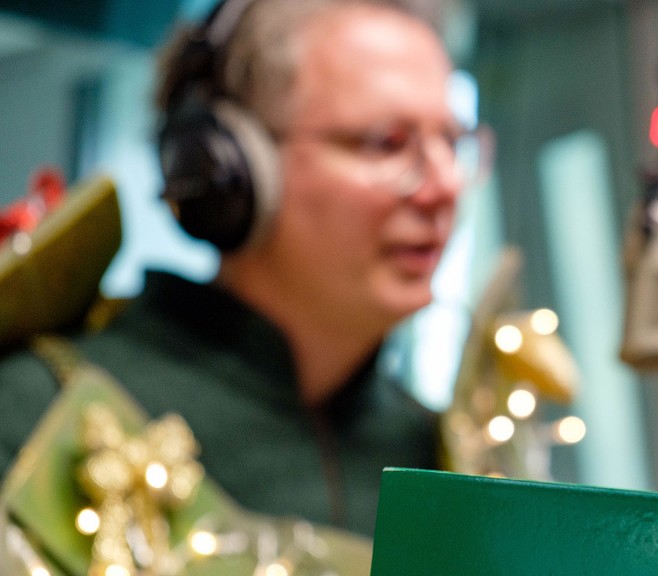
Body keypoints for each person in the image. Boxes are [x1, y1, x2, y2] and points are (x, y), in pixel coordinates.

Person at [0, 0, 465, 543]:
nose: (446, 185)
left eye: (454, 143)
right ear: (229, 167)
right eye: (387, 143)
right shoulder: (40, 415)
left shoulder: (448, 457)